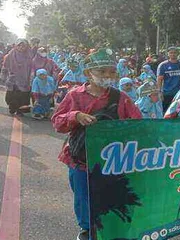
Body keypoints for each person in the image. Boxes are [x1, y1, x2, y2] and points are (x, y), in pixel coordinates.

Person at [51, 48, 142, 240]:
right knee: (84, 198)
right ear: (87, 73)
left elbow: (137, 123)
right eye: (101, 71)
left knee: (111, 198)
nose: (107, 76)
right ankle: (87, 230)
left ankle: (108, 229)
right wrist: (75, 115)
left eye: (111, 71)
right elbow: (57, 122)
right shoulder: (75, 96)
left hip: (111, 160)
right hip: (80, 158)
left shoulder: (121, 98)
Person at [1, 39, 33, 116]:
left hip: (24, 79)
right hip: (12, 80)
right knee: (11, 96)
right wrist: (3, 76)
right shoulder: (10, 55)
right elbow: (5, 66)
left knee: (22, 96)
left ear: (26, 47)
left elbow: (32, 68)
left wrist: (31, 78)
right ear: (16, 46)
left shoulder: (29, 56)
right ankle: (12, 108)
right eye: (19, 45)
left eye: (23, 46)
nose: (21, 48)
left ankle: (20, 111)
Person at [157, 47, 180, 111]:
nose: (173, 54)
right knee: (166, 111)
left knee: (178, 111)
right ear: (168, 54)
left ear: (177, 54)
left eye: (174, 53)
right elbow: (159, 79)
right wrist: (159, 92)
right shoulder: (163, 65)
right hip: (167, 93)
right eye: (171, 53)